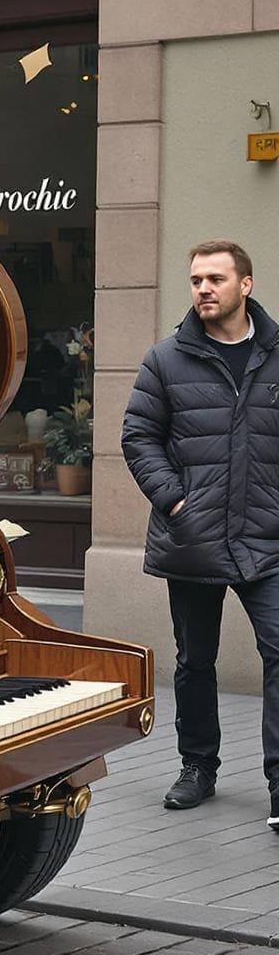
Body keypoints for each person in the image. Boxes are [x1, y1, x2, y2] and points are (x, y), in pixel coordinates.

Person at [123, 239, 279, 822]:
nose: (204, 289)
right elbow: (138, 436)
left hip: (268, 537)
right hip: (194, 536)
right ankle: (198, 767)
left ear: (246, 285)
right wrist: (174, 499)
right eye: (195, 280)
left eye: (215, 278)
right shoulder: (166, 360)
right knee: (195, 660)